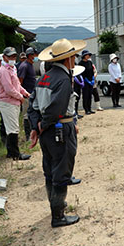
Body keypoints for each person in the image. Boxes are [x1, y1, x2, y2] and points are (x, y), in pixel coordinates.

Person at [28, 38, 85, 227]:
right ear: (68, 59)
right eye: (73, 57)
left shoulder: (44, 78)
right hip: (59, 129)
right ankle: (58, 215)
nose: (75, 60)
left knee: (50, 170)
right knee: (61, 171)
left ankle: (55, 205)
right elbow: (56, 109)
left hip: (46, 132)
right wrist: (44, 125)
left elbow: (33, 106)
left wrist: (36, 127)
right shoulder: (63, 80)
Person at [0, 47, 31, 160]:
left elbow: (16, 85)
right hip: (8, 102)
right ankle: (15, 154)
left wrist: (25, 93)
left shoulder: (12, 69)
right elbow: (9, 89)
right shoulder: (3, 71)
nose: (12, 58)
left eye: (14, 56)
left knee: (14, 127)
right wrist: (21, 97)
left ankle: (11, 152)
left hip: (14, 102)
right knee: (12, 128)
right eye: (10, 56)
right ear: (4, 57)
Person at [18, 47, 38, 141]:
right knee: (26, 114)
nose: (36, 56)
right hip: (26, 94)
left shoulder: (30, 65)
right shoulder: (24, 66)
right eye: (35, 55)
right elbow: (19, 82)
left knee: (32, 113)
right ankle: (28, 136)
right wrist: (22, 94)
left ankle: (33, 133)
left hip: (32, 94)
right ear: (30, 56)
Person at [78, 50, 95, 115]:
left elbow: (92, 71)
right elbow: (81, 73)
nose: (88, 56)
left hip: (91, 80)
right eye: (87, 55)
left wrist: (93, 79)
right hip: (85, 82)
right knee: (85, 95)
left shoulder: (90, 62)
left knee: (90, 95)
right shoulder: (81, 63)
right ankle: (86, 109)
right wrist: (86, 80)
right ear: (84, 56)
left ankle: (90, 108)